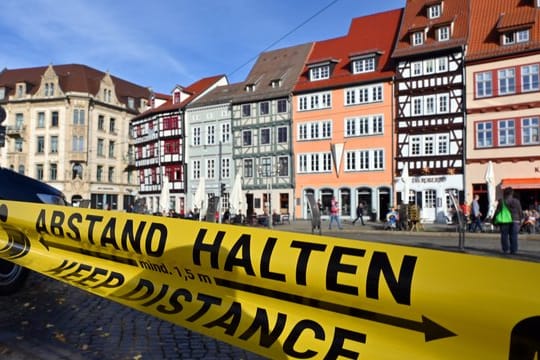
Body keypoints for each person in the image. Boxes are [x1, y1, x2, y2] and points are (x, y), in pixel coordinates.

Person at [494, 187, 523, 254]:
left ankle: (505, 249)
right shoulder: (516, 201)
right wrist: (521, 219)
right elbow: (520, 211)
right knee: (514, 236)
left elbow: (497, 211)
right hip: (516, 220)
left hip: (505, 220)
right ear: (512, 193)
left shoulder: (502, 201)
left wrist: (494, 220)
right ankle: (514, 250)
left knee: (504, 235)